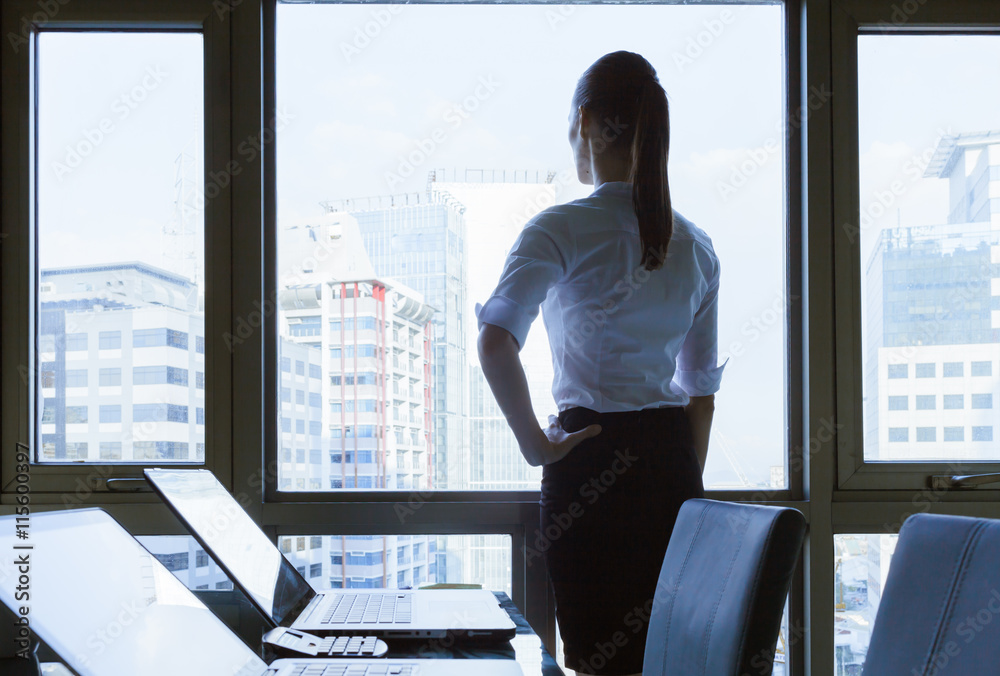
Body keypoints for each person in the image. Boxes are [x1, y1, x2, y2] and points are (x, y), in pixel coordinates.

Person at [475, 50, 726, 675]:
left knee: (597, 660)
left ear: (585, 120)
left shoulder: (560, 228)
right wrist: (678, 484)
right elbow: (700, 394)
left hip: (587, 458)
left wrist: (536, 445)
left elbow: (495, 340)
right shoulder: (696, 246)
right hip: (672, 467)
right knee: (667, 655)